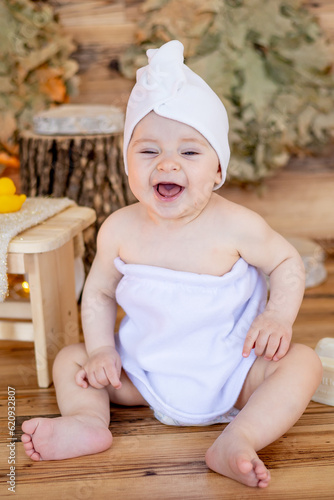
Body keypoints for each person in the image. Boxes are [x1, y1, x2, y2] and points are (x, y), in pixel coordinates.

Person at [21, 40, 322, 488]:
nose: (167, 163)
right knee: (72, 359)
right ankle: (88, 422)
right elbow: (100, 292)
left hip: (235, 371)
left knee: (303, 364)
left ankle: (239, 438)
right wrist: (103, 350)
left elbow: (285, 262)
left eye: (189, 152)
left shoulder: (238, 225)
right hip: (142, 375)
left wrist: (278, 316)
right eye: (148, 152)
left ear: (218, 169)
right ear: (127, 165)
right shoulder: (119, 229)